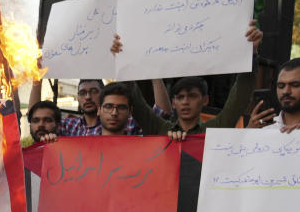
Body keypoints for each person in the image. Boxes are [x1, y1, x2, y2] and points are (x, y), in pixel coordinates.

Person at [110, 21, 263, 140]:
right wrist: (123, 61)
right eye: (180, 97)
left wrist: (251, 55)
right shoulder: (160, 128)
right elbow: (135, 101)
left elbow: (239, 97)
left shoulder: (216, 128)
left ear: (205, 100)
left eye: (192, 96)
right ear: (173, 103)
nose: (185, 102)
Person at [29, 78, 141, 136]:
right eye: (82, 93)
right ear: (77, 97)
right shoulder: (68, 125)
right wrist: (37, 77)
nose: (88, 97)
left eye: (94, 91)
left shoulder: (125, 123)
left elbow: (158, 114)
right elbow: (35, 116)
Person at [259, 57, 300, 133]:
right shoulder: (263, 129)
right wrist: (246, 134)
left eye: (295, 85)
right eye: (281, 86)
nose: (286, 91)